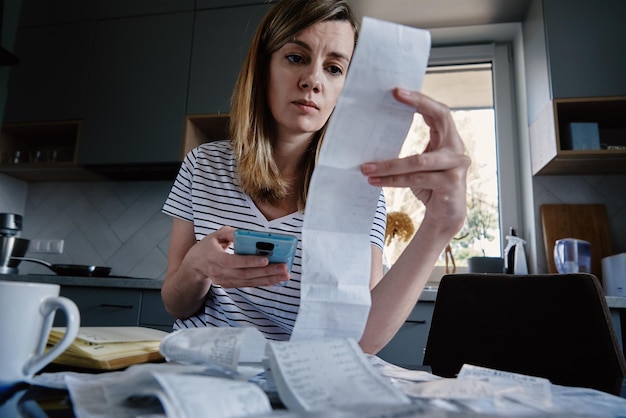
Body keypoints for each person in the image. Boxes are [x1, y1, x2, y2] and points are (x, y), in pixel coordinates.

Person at [161, 0, 469, 355]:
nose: (313, 81)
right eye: (296, 58)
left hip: (297, 377)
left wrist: (438, 226)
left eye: (334, 68)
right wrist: (197, 266)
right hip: (197, 368)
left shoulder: (361, 192)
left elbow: (361, 341)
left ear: (344, 91)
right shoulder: (203, 164)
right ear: (263, 69)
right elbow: (175, 304)